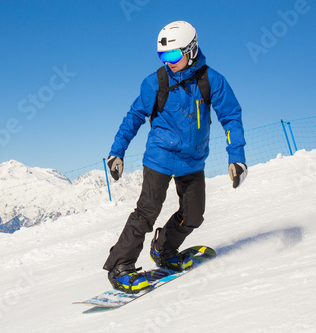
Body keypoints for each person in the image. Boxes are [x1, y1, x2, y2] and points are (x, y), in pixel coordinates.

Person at [103, 21, 247, 294]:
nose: (168, 62)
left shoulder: (211, 80)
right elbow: (134, 117)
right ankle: (119, 267)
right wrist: (116, 151)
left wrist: (236, 156)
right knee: (147, 213)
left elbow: (231, 116)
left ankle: (164, 250)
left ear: (191, 50)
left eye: (173, 55)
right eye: (162, 56)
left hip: (192, 160)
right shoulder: (155, 82)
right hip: (159, 157)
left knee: (193, 216)